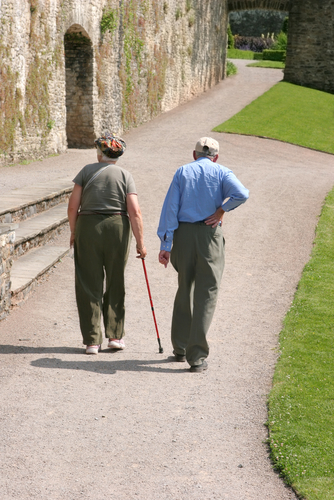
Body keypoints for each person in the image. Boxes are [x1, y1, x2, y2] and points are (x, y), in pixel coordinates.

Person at [157, 137, 249, 372]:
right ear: (216, 156)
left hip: (184, 236)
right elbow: (241, 194)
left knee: (184, 287)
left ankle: (179, 348)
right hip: (209, 235)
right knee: (206, 293)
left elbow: (171, 208)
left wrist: (166, 245)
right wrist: (221, 210)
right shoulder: (222, 172)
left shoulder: (182, 172)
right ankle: (196, 357)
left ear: (195, 154)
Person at [68, 133, 147, 354]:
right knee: (116, 279)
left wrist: (74, 232)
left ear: (100, 153)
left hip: (88, 225)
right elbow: (135, 211)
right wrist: (140, 243)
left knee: (88, 282)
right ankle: (115, 336)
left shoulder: (85, 171)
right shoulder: (125, 175)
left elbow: (73, 206)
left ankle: (92, 340)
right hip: (117, 226)